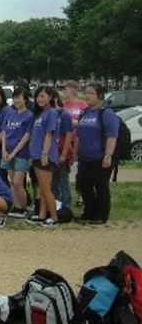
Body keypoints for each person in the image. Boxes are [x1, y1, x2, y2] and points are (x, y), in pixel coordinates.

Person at [75, 83, 119, 224]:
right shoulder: (85, 112)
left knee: (100, 186)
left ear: (100, 96)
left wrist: (108, 155)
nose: (87, 96)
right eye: (86, 93)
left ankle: (101, 215)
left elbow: (112, 135)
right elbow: (79, 135)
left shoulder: (106, 113)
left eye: (91, 93)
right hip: (84, 156)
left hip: (100, 156)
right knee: (84, 185)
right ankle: (89, 212)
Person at [27, 86, 60, 228]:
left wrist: (45, 153)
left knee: (46, 189)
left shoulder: (51, 113)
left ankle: (54, 217)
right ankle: (42, 215)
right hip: (36, 155)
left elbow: (49, 134)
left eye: (43, 96)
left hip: (45, 156)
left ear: (50, 97)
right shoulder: (40, 114)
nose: (40, 99)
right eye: (38, 96)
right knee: (41, 187)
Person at [0, 87, 33, 218]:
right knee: (12, 181)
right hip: (7, 152)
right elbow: (4, 132)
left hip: (21, 153)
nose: (16, 100)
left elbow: (26, 136)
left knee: (19, 182)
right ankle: (16, 205)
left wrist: (14, 152)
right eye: (15, 98)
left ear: (25, 99)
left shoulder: (29, 116)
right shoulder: (9, 114)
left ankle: (23, 207)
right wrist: (3, 150)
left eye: (19, 98)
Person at [63, 80, 88, 203]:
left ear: (73, 89)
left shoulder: (82, 105)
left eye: (66, 88)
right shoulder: (64, 105)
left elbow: (85, 121)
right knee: (66, 169)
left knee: (79, 171)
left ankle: (81, 196)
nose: (64, 91)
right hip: (68, 141)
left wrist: (75, 123)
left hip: (79, 140)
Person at [52, 90, 74, 209]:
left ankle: (66, 204)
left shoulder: (64, 115)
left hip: (61, 152)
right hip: (52, 153)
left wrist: (64, 154)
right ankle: (56, 204)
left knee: (62, 179)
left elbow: (68, 135)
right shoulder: (48, 114)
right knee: (53, 181)